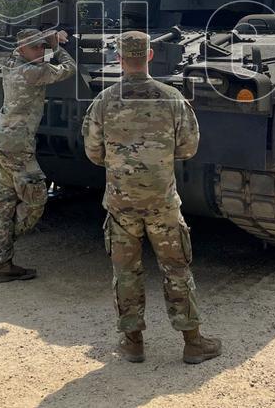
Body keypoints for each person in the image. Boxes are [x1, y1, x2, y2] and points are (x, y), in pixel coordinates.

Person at [82, 30, 221, 365]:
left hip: (121, 204)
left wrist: (121, 164)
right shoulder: (172, 98)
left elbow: (93, 151)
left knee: (126, 272)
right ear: (149, 56)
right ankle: (192, 342)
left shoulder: (104, 101)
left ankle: (133, 343)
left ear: (119, 58)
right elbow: (188, 147)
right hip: (162, 202)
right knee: (176, 268)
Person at [0, 27, 76, 282]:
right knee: (37, 199)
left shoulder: (11, 63)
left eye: (42, 46)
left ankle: (2, 263)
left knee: (6, 204)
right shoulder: (35, 72)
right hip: (17, 149)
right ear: (21, 48)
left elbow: (29, 53)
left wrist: (48, 38)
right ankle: (2, 244)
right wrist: (56, 46)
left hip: (0, 142)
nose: (40, 50)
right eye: (34, 46)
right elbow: (69, 68)